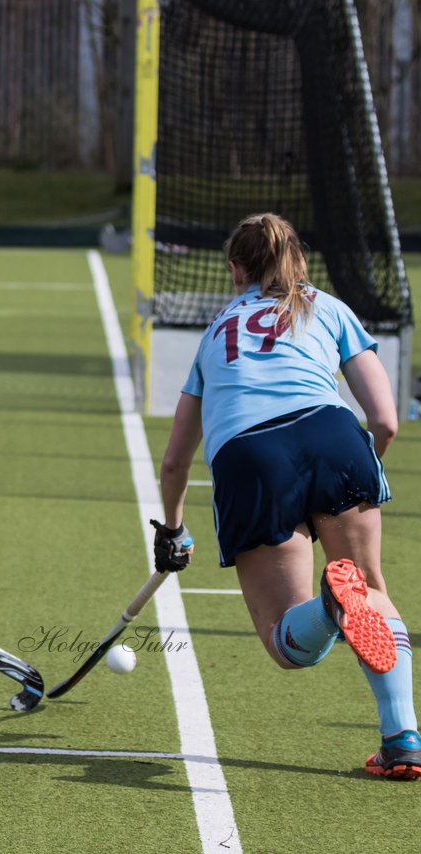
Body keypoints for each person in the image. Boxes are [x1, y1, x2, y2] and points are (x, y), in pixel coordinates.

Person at [155, 213, 418, 780]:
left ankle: (329, 604)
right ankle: (403, 739)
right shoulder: (330, 308)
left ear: (234, 269)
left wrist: (173, 531)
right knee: (370, 588)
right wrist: (356, 472)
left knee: (288, 644)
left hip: (252, 458)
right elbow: (386, 420)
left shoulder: (215, 331)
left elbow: (175, 459)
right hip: (334, 436)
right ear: (297, 258)